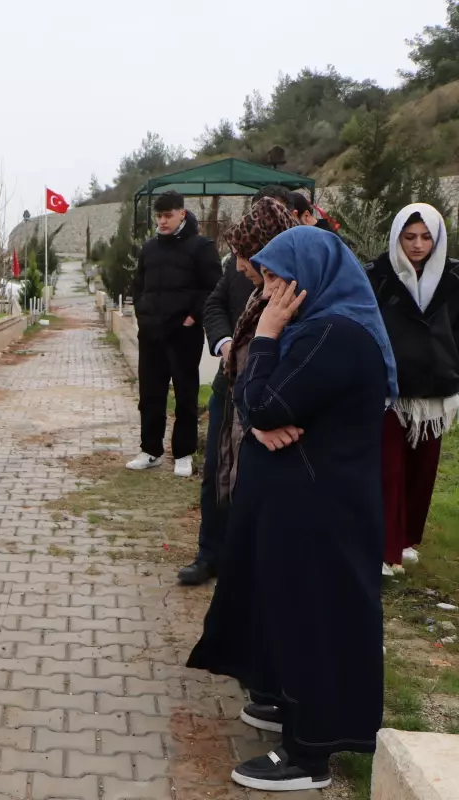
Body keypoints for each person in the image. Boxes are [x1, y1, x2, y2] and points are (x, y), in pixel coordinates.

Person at [188, 226, 396, 791]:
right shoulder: (318, 327)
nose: (268, 291)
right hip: (303, 503)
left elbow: (261, 401)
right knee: (290, 614)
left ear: (311, 276)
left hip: (320, 511)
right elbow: (254, 401)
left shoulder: (333, 334)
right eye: (265, 279)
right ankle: (291, 707)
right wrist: (260, 416)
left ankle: (310, 754)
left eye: (279, 279)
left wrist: (267, 337)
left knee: (314, 621)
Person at [178, 193, 301, 586]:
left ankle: (247, 561)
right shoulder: (237, 268)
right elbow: (214, 306)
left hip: (270, 397)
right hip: (229, 386)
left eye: (247, 258)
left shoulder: (296, 282)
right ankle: (209, 553)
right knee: (217, 470)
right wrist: (226, 344)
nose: (243, 266)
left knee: (255, 480)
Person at [368, 203, 459, 574]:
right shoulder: (377, 276)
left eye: (425, 237)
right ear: (397, 237)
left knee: (422, 472)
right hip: (389, 390)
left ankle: (404, 540)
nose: (418, 245)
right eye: (409, 237)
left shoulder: (454, 278)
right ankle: (384, 548)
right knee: (388, 469)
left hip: (436, 390)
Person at [128, 191, 222, 477]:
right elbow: (138, 286)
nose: (162, 221)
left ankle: (183, 453)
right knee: (150, 395)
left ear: (182, 213)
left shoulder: (202, 247)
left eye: (168, 215)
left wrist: (193, 317)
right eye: (158, 216)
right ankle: (150, 450)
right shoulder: (149, 249)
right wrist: (143, 313)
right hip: (151, 334)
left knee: (185, 394)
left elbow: (213, 288)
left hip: (184, 334)